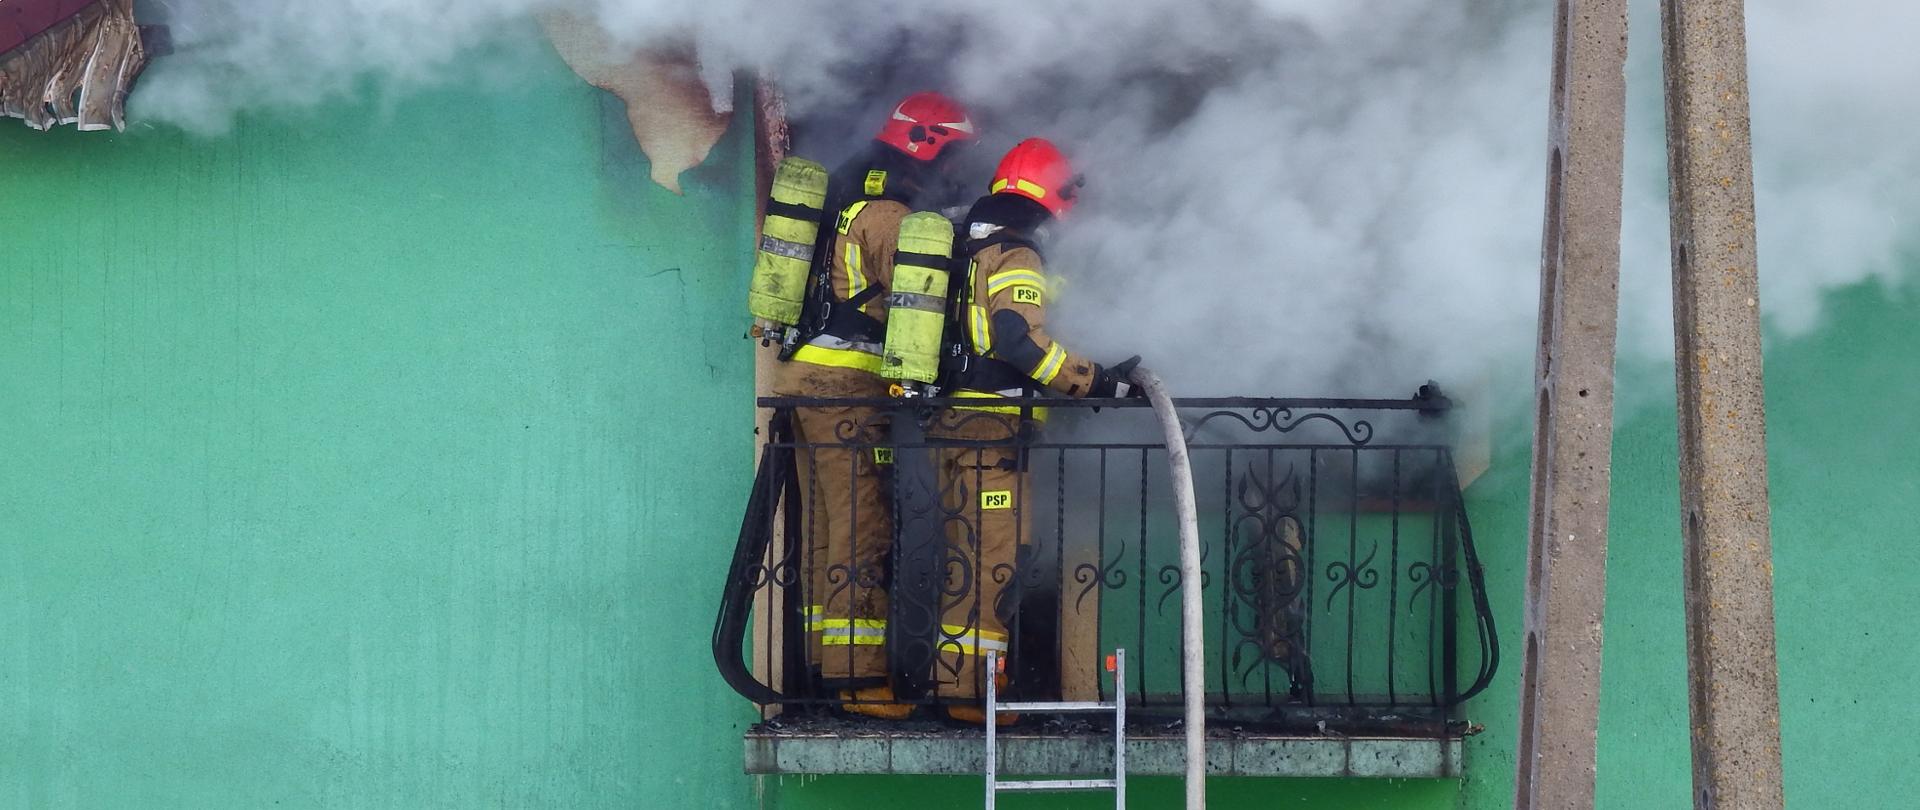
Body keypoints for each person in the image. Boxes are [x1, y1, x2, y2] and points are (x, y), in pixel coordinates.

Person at [770, 91, 978, 720]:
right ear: (929, 143)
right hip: (848, 391)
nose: (953, 166)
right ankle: (858, 681)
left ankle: (818, 663)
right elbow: (915, 302)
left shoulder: (844, 197)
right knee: (861, 529)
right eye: (954, 151)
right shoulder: (888, 217)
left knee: (825, 529)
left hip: (807, 383)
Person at [929, 138, 1141, 724]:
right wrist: (1092, 383)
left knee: (976, 557)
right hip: (991, 431)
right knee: (994, 558)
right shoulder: (1018, 253)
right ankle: (973, 697)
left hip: (960, 422)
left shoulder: (971, 244)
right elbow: (1017, 342)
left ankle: (963, 687)